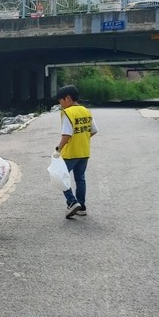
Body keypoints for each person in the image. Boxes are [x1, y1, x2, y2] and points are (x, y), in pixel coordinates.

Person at [55, 84, 98, 219]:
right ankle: (82, 207)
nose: (61, 104)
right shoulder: (86, 111)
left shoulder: (68, 113)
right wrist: (82, 138)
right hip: (84, 151)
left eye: (61, 101)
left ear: (68, 98)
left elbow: (66, 134)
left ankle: (72, 202)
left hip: (71, 152)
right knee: (80, 179)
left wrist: (58, 149)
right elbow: (94, 130)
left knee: (60, 176)